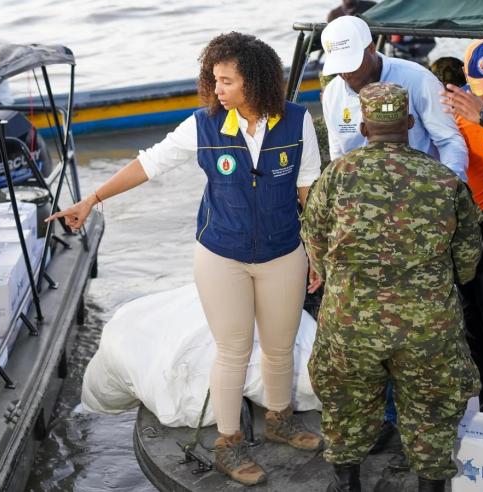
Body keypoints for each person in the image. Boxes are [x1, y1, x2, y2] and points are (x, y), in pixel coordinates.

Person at [46, 32, 322, 485]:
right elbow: (148, 164)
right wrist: (92, 198)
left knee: (279, 345)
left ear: (254, 81)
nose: (217, 90)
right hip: (222, 255)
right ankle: (229, 444)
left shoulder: (296, 121)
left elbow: (308, 187)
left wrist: (316, 252)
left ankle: (280, 419)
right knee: (232, 351)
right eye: (214, 80)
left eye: (227, 81)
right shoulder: (204, 124)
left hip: (283, 252)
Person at [301, 82, 482, 492]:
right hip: (427, 327)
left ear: (364, 127)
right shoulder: (443, 180)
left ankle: (347, 483)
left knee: (345, 408)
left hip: (350, 324)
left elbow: (316, 247)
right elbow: (468, 259)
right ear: (411, 123)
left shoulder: (335, 177)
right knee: (432, 414)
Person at [321, 15, 469, 181]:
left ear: (371, 48)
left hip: (421, 191)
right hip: (362, 197)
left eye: (351, 63)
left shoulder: (418, 79)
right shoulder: (331, 95)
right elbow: (339, 155)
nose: (345, 72)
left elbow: (448, 140)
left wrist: (451, 186)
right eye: (339, 65)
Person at [440, 39, 483, 413]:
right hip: (468, 224)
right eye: (482, 93)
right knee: (473, 326)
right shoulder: (454, 107)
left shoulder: (481, 113)